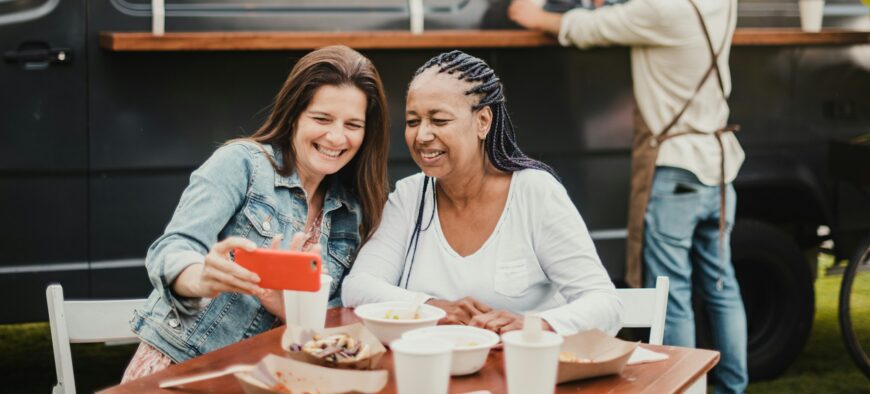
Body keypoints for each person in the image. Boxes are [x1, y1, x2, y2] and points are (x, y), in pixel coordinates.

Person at [508, 0, 747, 393]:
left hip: (676, 167)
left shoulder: (656, 8)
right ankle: (732, 388)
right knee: (723, 287)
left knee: (672, 293)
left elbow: (579, 27)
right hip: (721, 167)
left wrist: (530, 11)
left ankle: (680, 388)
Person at [122, 45, 389, 381]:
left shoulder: (353, 210)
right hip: (183, 369)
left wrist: (292, 310)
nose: (337, 137)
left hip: (266, 379)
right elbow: (171, 249)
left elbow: (330, 321)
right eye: (321, 119)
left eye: (353, 124)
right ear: (294, 115)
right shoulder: (243, 163)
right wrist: (201, 277)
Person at [342, 50, 622, 336]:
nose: (422, 135)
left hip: (520, 372)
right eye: (413, 121)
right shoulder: (410, 196)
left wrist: (536, 325)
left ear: (483, 121)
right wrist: (431, 307)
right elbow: (358, 285)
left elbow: (604, 303)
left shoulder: (534, 192)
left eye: (439, 121)